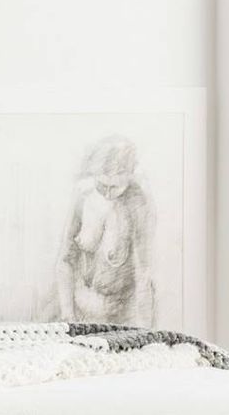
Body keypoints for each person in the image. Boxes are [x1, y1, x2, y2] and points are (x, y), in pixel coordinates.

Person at [54, 134, 156, 326]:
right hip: (80, 312)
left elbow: (143, 274)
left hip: (123, 316)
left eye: (115, 187)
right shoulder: (82, 196)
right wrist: (68, 315)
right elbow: (65, 260)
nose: (108, 193)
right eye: (102, 185)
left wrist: (143, 331)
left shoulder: (138, 204)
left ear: (129, 175)